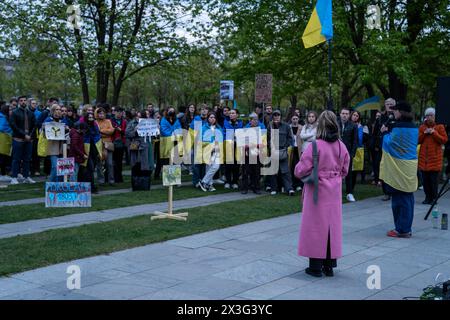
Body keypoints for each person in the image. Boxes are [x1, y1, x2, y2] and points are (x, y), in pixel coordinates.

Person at [295, 110, 350, 277]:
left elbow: (300, 170)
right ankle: (329, 265)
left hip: (317, 190)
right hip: (334, 190)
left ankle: (315, 266)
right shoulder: (341, 145)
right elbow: (345, 169)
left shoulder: (315, 145)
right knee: (331, 227)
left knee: (315, 227)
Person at [380, 101, 418, 238]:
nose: (393, 112)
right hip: (410, 166)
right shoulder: (414, 127)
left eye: (395, 110)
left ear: (401, 112)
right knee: (407, 197)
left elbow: (390, 143)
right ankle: (405, 227)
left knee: (399, 199)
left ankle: (402, 229)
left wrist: (384, 133)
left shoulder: (399, 127)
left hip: (399, 166)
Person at [418, 107, 448, 204]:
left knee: (433, 182)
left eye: (431, 115)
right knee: (425, 181)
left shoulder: (440, 126)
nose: (429, 117)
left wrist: (434, 133)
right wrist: (424, 133)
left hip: (435, 159)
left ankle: (434, 198)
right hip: (424, 160)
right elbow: (417, 140)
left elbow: (444, 140)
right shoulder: (422, 127)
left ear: (435, 116)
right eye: (427, 115)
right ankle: (427, 198)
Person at [9, 96, 36, 184]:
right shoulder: (14, 112)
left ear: (27, 102)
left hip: (29, 140)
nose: (23, 102)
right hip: (18, 139)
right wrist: (24, 135)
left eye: (25, 100)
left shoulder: (30, 113)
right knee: (16, 159)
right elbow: (13, 126)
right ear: (18, 102)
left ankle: (26, 176)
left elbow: (34, 126)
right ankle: (14, 177)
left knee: (27, 159)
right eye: (21, 101)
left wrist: (30, 136)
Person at [268, 109, 295, 196]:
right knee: (273, 171)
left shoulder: (286, 126)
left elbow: (290, 138)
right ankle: (274, 189)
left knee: (285, 171)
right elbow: (267, 139)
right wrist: (271, 147)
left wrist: (286, 147)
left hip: (283, 151)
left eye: (278, 115)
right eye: (275, 115)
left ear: (280, 116)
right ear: (273, 117)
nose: (276, 117)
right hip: (273, 150)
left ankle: (289, 189)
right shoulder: (270, 126)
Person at [375, 98, 397, 201]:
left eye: (391, 104)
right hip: (382, 146)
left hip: (393, 147)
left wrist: (388, 130)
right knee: (383, 169)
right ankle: (386, 192)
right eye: (387, 104)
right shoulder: (381, 117)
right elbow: (376, 131)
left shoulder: (397, 116)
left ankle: (393, 191)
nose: (389, 105)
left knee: (393, 170)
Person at [198, 112, 224, 192]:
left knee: (215, 166)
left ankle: (203, 182)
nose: (212, 119)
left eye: (214, 117)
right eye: (210, 117)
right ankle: (209, 184)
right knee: (209, 168)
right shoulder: (204, 128)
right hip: (207, 150)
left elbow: (221, 139)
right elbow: (200, 140)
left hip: (217, 150)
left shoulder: (219, 127)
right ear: (208, 118)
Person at [241, 112, 265, 194]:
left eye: (257, 119)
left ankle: (256, 188)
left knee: (256, 171)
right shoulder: (245, 129)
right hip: (247, 153)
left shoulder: (260, 130)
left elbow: (263, 142)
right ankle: (244, 188)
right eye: (254, 119)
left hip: (256, 152)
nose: (256, 121)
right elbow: (242, 142)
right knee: (245, 171)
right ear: (250, 120)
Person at [44, 104, 69, 182]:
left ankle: (59, 184)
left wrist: (67, 129)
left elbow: (68, 131)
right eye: (56, 109)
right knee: (55, 166)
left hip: (62, 146)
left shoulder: (64, 120)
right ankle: (51, 185)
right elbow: (45, 132)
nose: (58, 111)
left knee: (62, 167)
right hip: (52, 146)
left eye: (59, 110)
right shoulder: (48, 120)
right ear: (53, 111)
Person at [338, 107, 358, 202]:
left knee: (349, 173)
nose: (344, 115)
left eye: (346, 113)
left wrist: (352, 154)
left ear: (349, 115)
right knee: (336, 172)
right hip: (336, 152)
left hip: (348, 152)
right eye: (343, 113)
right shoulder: (335, 124)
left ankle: (349, 193)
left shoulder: (353, 125)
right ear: (340, 114)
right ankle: (336, 192)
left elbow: (355, 141)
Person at [223, 108, 243, 189]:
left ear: (237, 115)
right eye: (230, 113)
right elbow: (224, 133)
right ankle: (227, 181)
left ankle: (235, 181)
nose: (231, 114)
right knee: (228, 165)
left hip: (237, 146)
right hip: (228, 145)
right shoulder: (225, 122)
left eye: (233, 113)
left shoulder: (241, 123)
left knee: (236, 165)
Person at [96, 107, 115, 185]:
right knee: (99, 163)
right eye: (100, 113)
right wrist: (105, 132)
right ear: (97, 114)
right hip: (98, 144)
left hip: (108, 144)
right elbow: (96, 133)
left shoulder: (108, 121)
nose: (101, 115)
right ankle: (101, 180)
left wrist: (101, 131)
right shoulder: (95, 122)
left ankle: (111, 180)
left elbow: (111, 131)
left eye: (103, 113)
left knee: (109, 163)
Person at [351, 111, 369, 187]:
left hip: (359, 148)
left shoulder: (362, 127)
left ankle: (362, 179)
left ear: (359, 117)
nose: (355, 116)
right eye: (354, 115)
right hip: (350, 147)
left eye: (357, 115)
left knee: (361, 165)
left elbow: (365, 138)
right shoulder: (348, 124)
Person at [111, 107, 127, 183]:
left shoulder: (124, 121)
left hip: (121, 143)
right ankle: (113, 177)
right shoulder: (111, 121)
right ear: (115, 112)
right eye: (118, 112)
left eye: (121, 112)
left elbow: (126, 132)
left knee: (119, 161)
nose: (119, 114)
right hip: (113, 142)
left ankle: (119, 177)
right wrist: (114, 129)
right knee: (113, 161)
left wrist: (121, 130)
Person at [289, 114, 303, 192]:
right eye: (293, 118)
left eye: (296, 118)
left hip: (299, 149)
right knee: (291, 166)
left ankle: (298, 184)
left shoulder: (301, 127)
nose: (295, 120)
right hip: (291, 149)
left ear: (298, 119)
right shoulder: (289, 127)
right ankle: (292, 184)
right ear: (291, 119)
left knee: (298, 166)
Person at [0, 102, 13, 182]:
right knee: (2, 157)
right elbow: (1, 127)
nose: (12, 111)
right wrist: (10, 130)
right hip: (2, 139)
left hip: (5, 139)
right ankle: (2, 174)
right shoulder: (2, 117)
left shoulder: (5, 117)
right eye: (10, 109)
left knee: (4, 157)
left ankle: (3, 174)